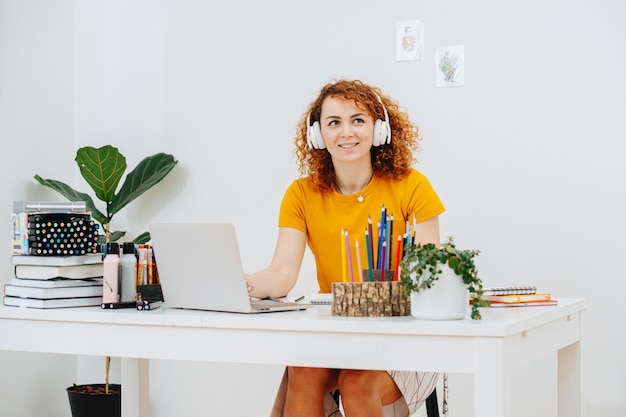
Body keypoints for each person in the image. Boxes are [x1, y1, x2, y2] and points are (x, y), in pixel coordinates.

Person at [246, 79, 445, 417]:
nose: (346, 132)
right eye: (334, 123)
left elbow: (430, 276)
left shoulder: (413, 186)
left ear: (378, 129)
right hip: (337, 331)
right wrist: (242, 283)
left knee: (357, 382)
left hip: (403, 334)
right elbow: (281, 274)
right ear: (317, 134)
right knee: (303, 371)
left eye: (358, 120)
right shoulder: (301, 194)